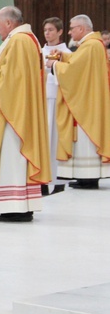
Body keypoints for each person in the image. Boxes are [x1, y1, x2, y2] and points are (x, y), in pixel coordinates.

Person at [0, 6, 50, 222]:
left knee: (11, 157)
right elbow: (16, 70)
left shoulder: (19, 41)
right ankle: (21, 205)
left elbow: (13, 79)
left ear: (9, 23)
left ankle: (13, 207)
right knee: (15, 159)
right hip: (19, 109)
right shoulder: (25, 39)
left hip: (12, 115)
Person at [46, 14, 110, 189]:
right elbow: (77, 63)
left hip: (87, 102)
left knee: (85, 137)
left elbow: (75, 71)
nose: (69, 32)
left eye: (72, 28)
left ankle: (88, 177)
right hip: (87, 98)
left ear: (81, 29)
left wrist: (55, 66)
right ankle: (84, 176)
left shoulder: (91, 46)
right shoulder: (91, 45)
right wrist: (63, 58)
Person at [40, 17, 73, 195]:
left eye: (51, 30)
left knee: (53, 140)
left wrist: (55, 66)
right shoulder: (39, 51)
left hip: (55, 98)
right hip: (40, 98)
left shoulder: (65, 52)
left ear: (60, 32)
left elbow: (69, 76)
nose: (48, 33)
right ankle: (41, 180)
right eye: (45, 30)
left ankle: (55, 179)